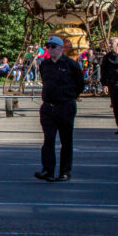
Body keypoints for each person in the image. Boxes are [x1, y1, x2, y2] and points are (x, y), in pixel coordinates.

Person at [34, 36, 85, 182]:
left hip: (65, 106)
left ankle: (64, 172)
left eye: (53, 46)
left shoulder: (71, 64)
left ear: (61, 48)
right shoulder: (44, 65)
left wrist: (70, 96)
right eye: (48, 46)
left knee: (66, 140)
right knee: (48, 140)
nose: (50, 49)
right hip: (48, 107)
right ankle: (48, 170)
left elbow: (80, 84)